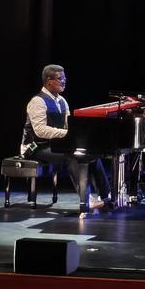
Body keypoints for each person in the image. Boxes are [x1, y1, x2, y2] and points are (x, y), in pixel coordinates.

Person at [19, 64, 112, 214]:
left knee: (91, 153)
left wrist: (78, 134)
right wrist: (66, 133)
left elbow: (69, 126)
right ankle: (86, 201)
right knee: (72, 156)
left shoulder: (62, 101)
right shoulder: (37, 101)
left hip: (54, 144)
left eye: (64, 78)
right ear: (49, 81)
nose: (64, 81)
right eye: (60, 78)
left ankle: (107, 196)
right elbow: (40, 131)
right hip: (35, 147)